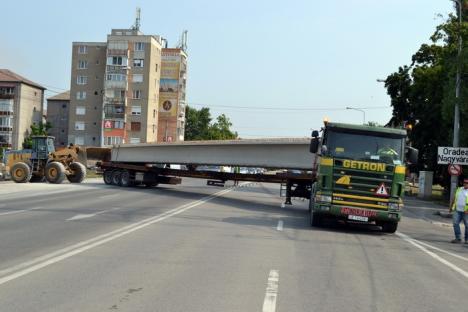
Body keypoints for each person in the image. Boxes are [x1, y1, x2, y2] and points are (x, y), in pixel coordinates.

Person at [448, 178, 468, 243]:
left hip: (466, 211)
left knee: (467, 225)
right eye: (464, 182)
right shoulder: (459, 189)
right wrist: (451, 207)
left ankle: (467, 239)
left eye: (467, 183)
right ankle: (458, 238)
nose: (465, 184)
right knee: (455, 223)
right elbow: (454, 198)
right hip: (457, 210)